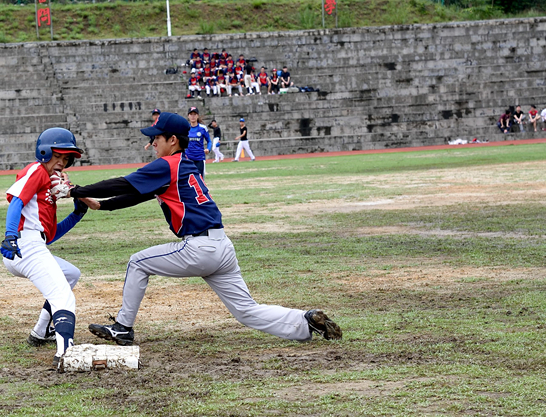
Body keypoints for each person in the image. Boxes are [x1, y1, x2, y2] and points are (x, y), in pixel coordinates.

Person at [66, 113, 341, 347]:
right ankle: (305, 322)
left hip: (199, 248)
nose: (152, 143)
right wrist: (101, 206)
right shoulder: (185, 164)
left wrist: (76, 190)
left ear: (172, 140)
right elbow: (137, 195)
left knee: (138, 262)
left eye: (156, 138)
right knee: (246, 311)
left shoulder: (168, 164)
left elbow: (124, 183)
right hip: (222, 246)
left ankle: (123, 327)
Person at [0, 127, 97, 370]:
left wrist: (76, 214)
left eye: (66, 159)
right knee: (63, 297)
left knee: (70, 274)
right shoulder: (37, 170)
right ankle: (65, 354)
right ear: (44, 152)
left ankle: (41, 331)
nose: (61, 163)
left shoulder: (47, 194)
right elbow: (17, 201)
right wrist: (10, 234)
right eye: (58, 156)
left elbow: (49, 236)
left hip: (32, 245)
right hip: (23, 245)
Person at [186, 107, 212, 177]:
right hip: (188, 159)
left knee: (200, 180)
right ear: (188, 116)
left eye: (195, 114)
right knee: (189, 180)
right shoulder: (185, 128)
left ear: (197, 116)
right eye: (191, 114)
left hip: (199, 158)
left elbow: (209, 141)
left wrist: (208, 149)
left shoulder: (203, 128)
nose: (193, 116)